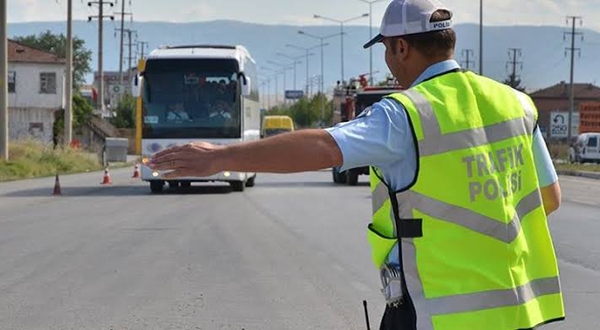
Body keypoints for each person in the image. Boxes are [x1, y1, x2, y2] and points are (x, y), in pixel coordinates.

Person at [149, 0, 565, 328]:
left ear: (401, 46)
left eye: (386, 48)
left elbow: (325, 148)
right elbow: (549, 198)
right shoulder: (516, 105)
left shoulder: (405, 113)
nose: (387, 59)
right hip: (514, 311)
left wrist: (220, 157)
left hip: (434, 314)